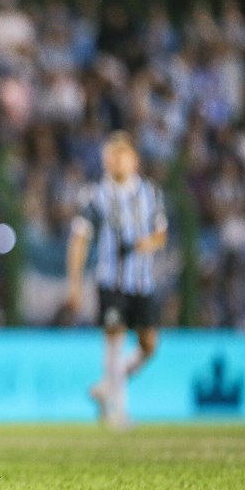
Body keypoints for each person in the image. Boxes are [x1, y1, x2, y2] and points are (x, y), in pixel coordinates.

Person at [65, 131, 167, 429]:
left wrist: (142, 245)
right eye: (111, 155)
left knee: (149, 345)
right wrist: (74, 284)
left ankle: (106, 386)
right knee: (114, 341)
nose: (116, 161)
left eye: (122, 154)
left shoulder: (150, 193)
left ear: (134, 159)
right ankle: (119, 412)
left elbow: (162, 234)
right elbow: (80, 239)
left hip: (143, 283)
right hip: (111, 282)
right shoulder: (95, 195)